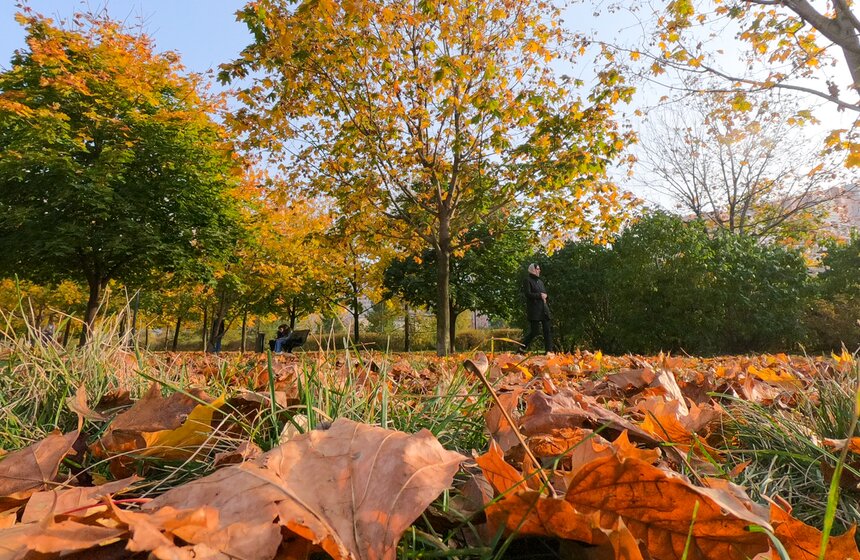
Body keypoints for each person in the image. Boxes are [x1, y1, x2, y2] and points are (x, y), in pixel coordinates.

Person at [520, 263, 553, 353]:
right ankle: (521, 348)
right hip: (534, 310)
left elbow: (544, 294)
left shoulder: (540, 282)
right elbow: (528, 294)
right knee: (535, 332)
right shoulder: (527, 280)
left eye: (539, 269)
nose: (539, 270)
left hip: (544, 309)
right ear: (533, 270)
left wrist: (545, 296)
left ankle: (549, 352)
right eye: (537, 269)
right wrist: (540, 295)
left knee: (547, 330)